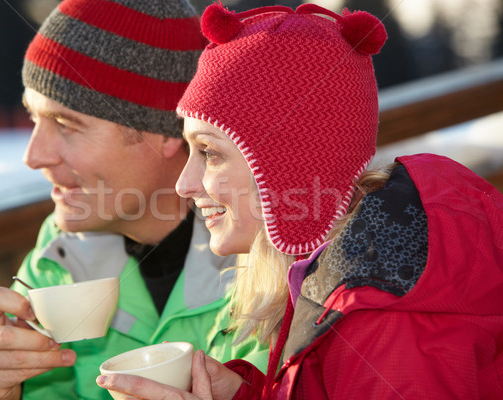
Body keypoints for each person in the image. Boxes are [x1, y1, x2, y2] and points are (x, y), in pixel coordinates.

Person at [96, 3, 503, 399]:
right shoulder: (336, 275)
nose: (185, 184)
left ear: (288, 166)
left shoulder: (379, 319)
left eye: (210, 153)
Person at [0, 1, 270, 400]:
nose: (33, 156)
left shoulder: (272, 263)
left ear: (167, 132)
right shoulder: (59, 260)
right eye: (33, 118)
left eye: (65, 124)